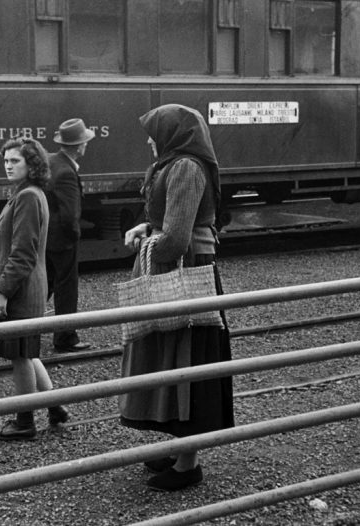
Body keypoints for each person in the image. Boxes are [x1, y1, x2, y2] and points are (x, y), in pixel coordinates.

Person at [120, 103, 234, 492]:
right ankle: (181, 446)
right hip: (186, 268)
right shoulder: (176, 163)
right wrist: (147, 225)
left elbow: (177, 239)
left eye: (155, 132)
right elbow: (170, 221)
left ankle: (189, 464)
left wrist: (149, 244)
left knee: (189, 362)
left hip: (188, 270)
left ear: (173, 134)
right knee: (177, 360)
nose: (151, 140)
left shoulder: (185, 167)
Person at [0, 137, 69, 440]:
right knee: (28, 350)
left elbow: (23, 252)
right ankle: (54, 406)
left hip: (22, 289)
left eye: (15, 161)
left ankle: (24, 422)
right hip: (29, 286)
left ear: (31, 164)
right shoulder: (28, 194)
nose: (8, 166)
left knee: (19, 355)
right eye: (6, 161)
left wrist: (3, 291)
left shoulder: (27, 197)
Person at [45, 118, 95, 353]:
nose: (86, 146)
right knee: (66, 288)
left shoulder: (52, 161)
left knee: (44, 285)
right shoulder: (66, 171)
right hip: (61, 240)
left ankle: (13, 328)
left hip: (46, 235)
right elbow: (69, 215)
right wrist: (74, 237)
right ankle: (65, 338)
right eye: (84, 142)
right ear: (79, 146)